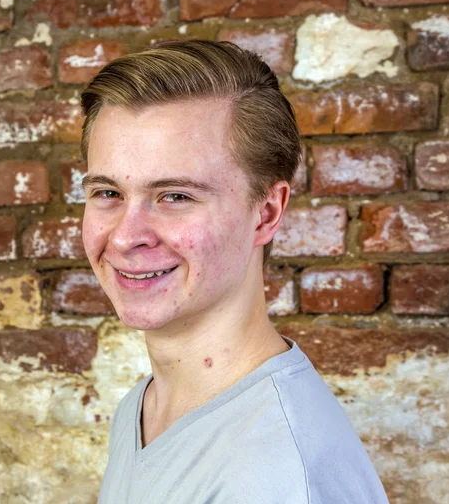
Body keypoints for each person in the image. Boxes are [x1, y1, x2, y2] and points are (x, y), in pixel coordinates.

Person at [80, 40, 389, 503]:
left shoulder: (278, 475)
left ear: (265, 213)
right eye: (108, 193)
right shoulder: (141, 411)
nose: (126, 237)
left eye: (175, 196)